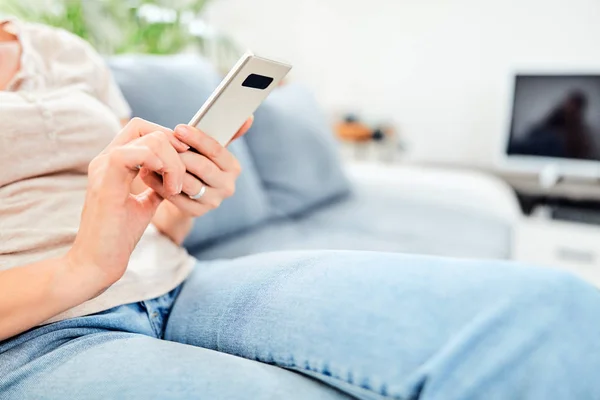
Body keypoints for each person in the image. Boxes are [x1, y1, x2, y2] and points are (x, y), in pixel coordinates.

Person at [1, 18, 600, 400]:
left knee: (556, 312)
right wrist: (80, 270)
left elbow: (147, 220)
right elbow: (88, 261)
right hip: (33, 335)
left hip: (176, 281)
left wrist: (182, 198)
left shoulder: (61, 50)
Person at [512, 90, 598, 160]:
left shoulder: (580, 132)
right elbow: (539, 129)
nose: (570, 107)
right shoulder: (554, 116)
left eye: (574, 105)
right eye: (569, 103)